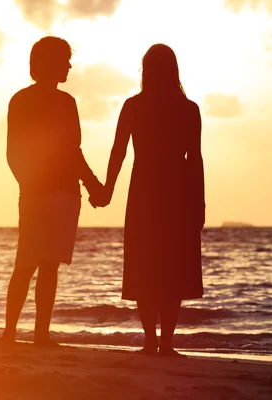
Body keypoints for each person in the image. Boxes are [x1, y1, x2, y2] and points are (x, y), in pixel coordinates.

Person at [92, 44, 205, 357]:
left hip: (144, 191)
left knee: (146, 266)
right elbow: (194, 159)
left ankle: (151, 341)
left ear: (146, 70)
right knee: (171, 268)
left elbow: (119, 151)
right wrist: (199, 203)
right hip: (177, 193)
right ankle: (165, 343)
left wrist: (108, 190)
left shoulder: (134, 106)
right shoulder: (188, 108)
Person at [0, 36, 103, 347]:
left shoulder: (38, 100)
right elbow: (66, 151)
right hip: (49, 193)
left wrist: (90, 182)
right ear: (49, 63)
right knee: (37, 264)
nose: (69, 66)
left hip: (49, 192)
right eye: (64, 60)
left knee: (36, 264)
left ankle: (22, 334)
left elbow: (68, 151)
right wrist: (93, 183)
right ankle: (24, 334)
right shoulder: (51, 102)